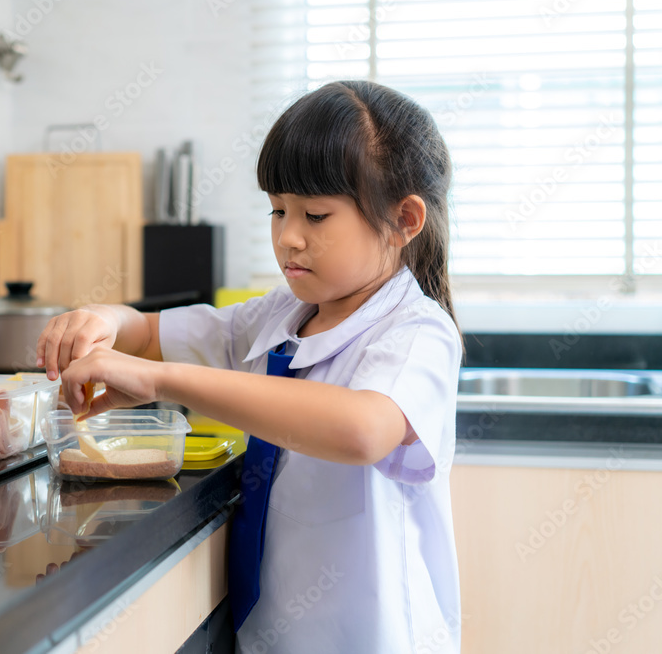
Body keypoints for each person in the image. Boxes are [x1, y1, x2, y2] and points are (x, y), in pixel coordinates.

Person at [35, 80, 463, 654]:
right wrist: (103, 319)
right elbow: (153, 333)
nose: (288, 237)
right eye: (278, 210)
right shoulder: (284, 313)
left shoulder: (415, 332)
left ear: (403, 219)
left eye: (315, 214)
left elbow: (362, 429)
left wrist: (162, 381)